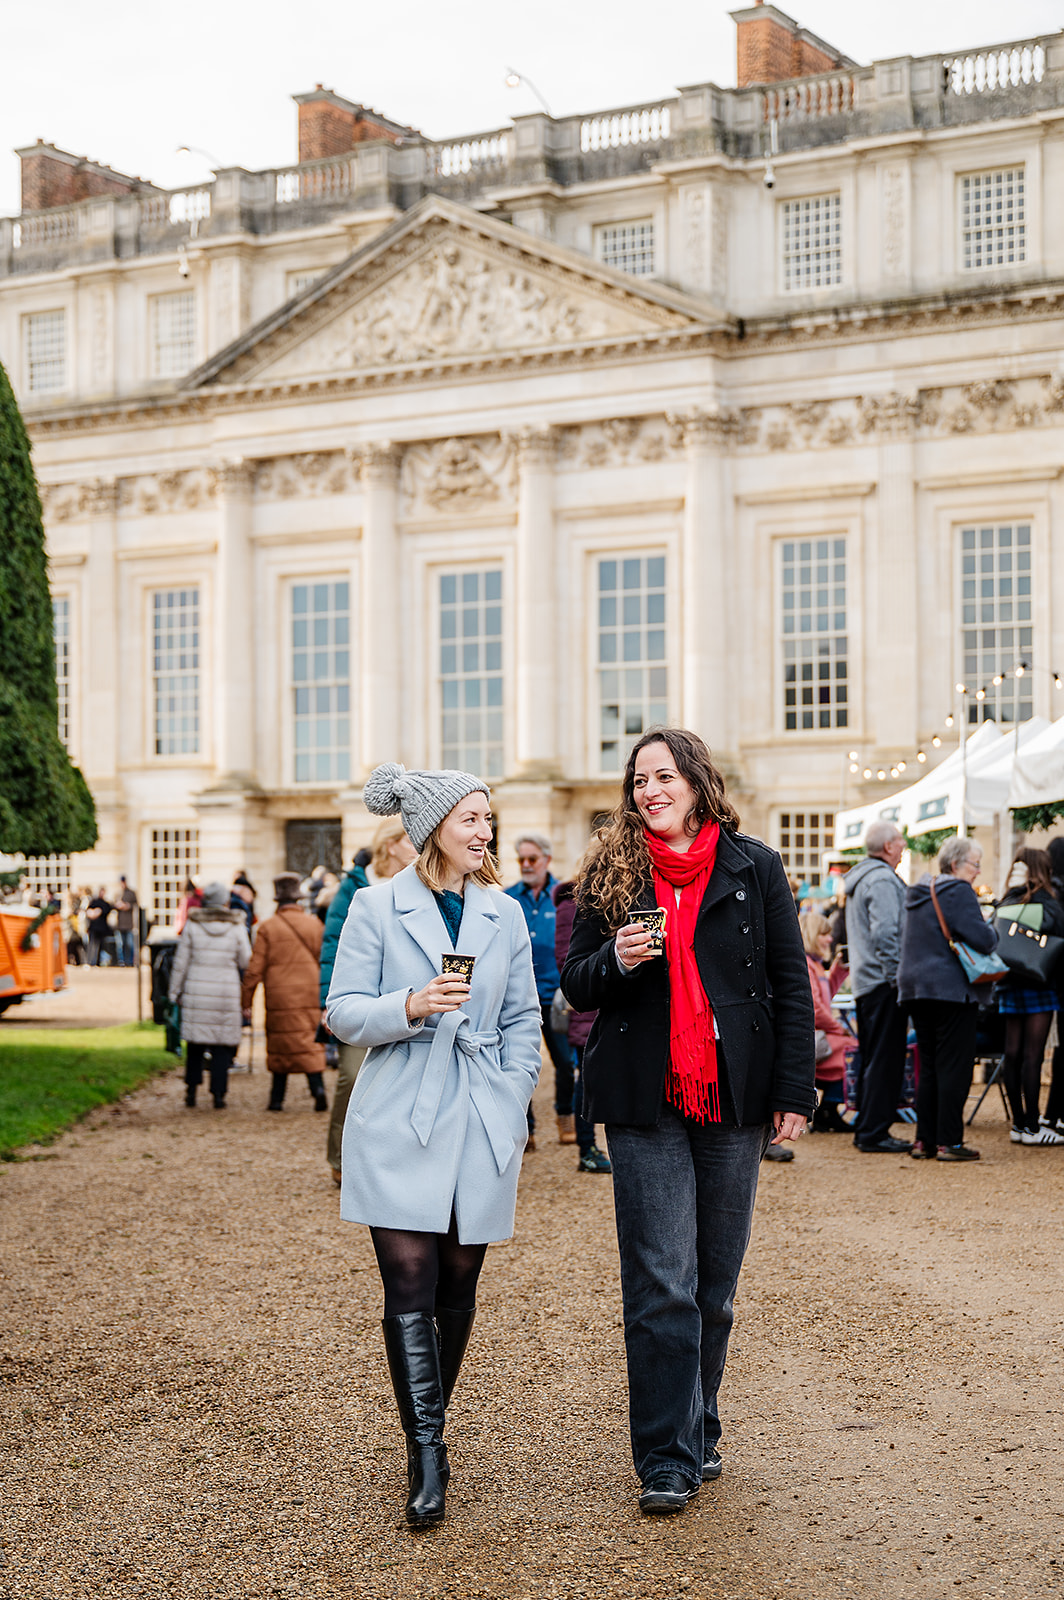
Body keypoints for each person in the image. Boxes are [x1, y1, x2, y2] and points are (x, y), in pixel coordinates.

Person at [561, 728, 814, 1516]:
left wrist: (795, 1091)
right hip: (644, 1097)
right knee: (660, 1281)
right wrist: (620, 961)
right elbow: (575, 985)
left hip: (732, 1095)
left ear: (698, 783)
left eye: (664, 776)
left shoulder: (755, 866)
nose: (650, 790)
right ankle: (666, 1457)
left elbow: (790, 984)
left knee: (716, 1284)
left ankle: (699, 1424)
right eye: (639, 779)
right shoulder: (610, 870)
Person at [325, 762, 541, 1530]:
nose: (485, 832)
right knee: (408, 1281)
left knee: (458, 1280)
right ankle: (428, 1453)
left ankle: (429, 1425)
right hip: (399, 1110)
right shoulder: (376, 907)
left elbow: (523, 1019)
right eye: (471, 819)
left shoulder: (504, 913)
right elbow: (343, 1012)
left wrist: (514, 1095)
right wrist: (410, 1005)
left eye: (488, 818)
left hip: (480, 1108)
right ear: (433, 829)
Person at [321, 823, 418, 1187]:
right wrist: (326, 1002)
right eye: (410, 840)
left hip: (408, 999)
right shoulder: (356, 886)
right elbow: (333, 945)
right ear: (391, 846)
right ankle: (340, 1158)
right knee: (350, 1075)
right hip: (360, 996)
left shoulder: (421, 881)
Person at [897, 835, 998, 1161]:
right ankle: (949, 1142)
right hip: (950, 990)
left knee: (929, 1065)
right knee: (954, 1066)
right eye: (975, 864)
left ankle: (924, 1140)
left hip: (915, 988)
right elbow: (983, 939)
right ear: (956, 864)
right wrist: (993, 930)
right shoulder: (958, 891)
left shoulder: (918, 890)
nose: (978, 872)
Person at [506, 833, 578, 1146]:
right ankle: (526, 1128)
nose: (525, 865)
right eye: (521, 859)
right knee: (518, 1063)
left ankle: (566, 1119)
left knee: (565, 1063)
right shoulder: (507, 898)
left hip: (555, 998)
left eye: (531, 859)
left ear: (546, 860)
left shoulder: (564, 896)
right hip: (518, 1000)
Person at [845, 821, 912, 1153]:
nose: (903, 847)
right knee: (885, 1058)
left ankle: (868, 1128)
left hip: (866, 981)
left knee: (874, 1056)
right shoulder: (883, 880)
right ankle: (874, 1132)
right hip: (883, 982)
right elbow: (886, 933)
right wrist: (896, 977)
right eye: (900, 842)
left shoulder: (861, 878)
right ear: (888, 847)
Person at [241, 873, 329, 1113]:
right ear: (298, 898)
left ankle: (277, 1099)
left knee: (281, 1043)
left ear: (277, 899)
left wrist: (245, 1000)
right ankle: (318, 1090)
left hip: (280, 996)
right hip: (310, 993)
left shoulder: (267, 928)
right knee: (310, 1043)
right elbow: (327, 960)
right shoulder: (315, 925)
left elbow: (254, 970)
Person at [995, 847, 1064, 1146]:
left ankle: (1018, 1124)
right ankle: (1034, 1125)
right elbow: (1056, 931)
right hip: (1039, 983)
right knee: (1032, 1056)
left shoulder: (1007, 898)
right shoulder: (1049, 902)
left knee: (1012, 1054)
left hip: (1009, 982)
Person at [168, 880, 252, 1109]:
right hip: (225, 990)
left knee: (195, 1044)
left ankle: (191, 1092)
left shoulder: (193, 925)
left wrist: (174, 991)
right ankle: (218, 1094)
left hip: (197, 988)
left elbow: (181, 963)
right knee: (221, 1045)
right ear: (224, 902)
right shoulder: (236, 927)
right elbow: (246, 960)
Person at [552, 875, 612, 1173]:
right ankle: (587, 1148)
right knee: (585, 1079)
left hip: (603, 1004)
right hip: (585, 1006)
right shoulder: (570, 902)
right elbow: (567, 958)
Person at [799, 911, 852, 1132]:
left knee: (852, 1048)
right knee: (853, 1050)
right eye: (824, 934)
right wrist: (839, 1028)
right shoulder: (808, 965)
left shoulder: (815, 965)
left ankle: (829, 1109)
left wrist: (839, 972)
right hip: (810, 1040)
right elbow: (815, 1009)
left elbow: (823, 998)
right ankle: (829, 1108)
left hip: (816, 1037)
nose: (830, 939)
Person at [85, 887, 113, 966]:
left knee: (99, 946)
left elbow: (106, 910)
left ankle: (96, 962)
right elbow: (88, 912)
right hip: (94, 928)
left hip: (101, 929)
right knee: (92, 945)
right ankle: (90, 961)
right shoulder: (94, 902)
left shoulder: (105, 904)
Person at [114, 877, 138, 968]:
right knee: (121, 945)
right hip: (120, 924)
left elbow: (135, 905)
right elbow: (113, 905)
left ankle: (130, 961)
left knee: (130, 944)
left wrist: (127, 906)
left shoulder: (131, 893)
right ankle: (122, 961)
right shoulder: (118, 894)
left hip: (129, 923)